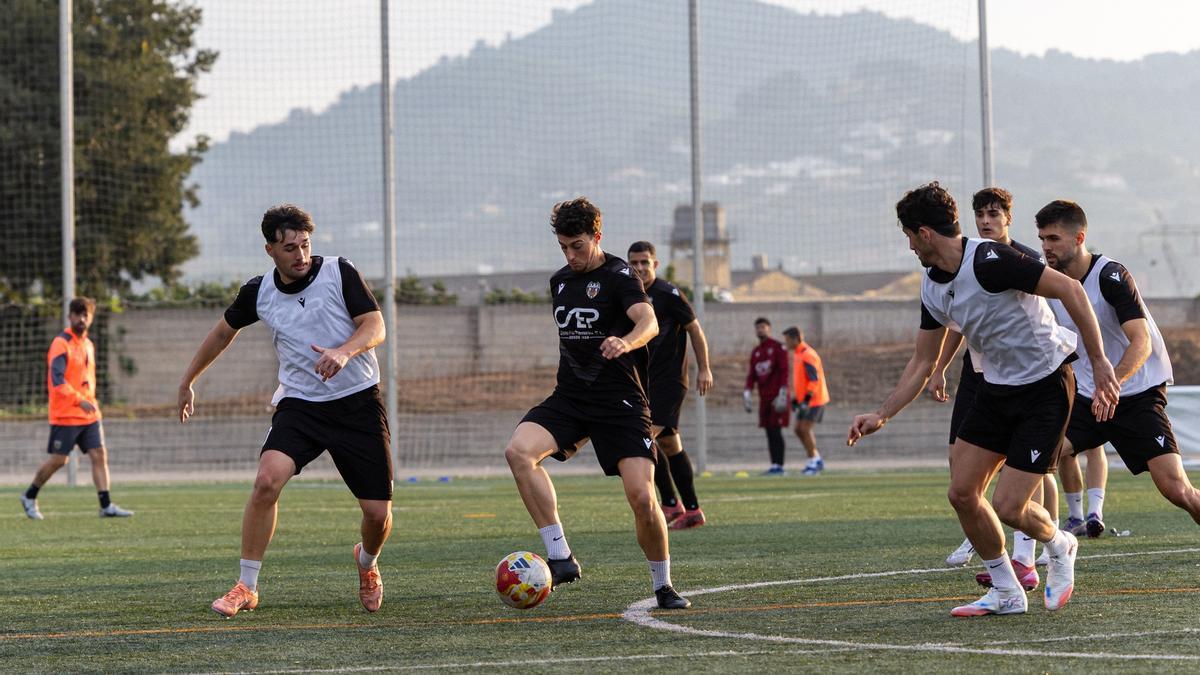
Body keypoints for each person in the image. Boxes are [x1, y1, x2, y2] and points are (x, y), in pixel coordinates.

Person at [847, 182, 1120, 617]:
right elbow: (922, 361)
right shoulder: (932, 285)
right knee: (962, 492)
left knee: (1010, 506)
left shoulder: (991, 260)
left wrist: (1101, 363)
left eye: (907, 236)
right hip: (996, 390)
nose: (909, 246)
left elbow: (1070, 290)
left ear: (923, 233)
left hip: (1045, 386)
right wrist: (882, 414)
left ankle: (1060, 543)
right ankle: (1007, 591)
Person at [177, 204, 392, 617]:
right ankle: (247, 586)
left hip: (358, 404)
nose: (301, 254)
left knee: (377, 515)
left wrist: (344, 352)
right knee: (266, 481)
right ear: (270, 250)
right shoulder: (259, 291)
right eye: (290, 246)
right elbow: (223, 332)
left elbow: (375, 325)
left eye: (306, 244)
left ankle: (366, 562)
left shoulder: (339, 271)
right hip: (301, 406)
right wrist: (188, 381)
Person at [503, 198, 690, 610]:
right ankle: (560, 555)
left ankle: (663, 585)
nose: (571, 256)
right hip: (571, 398)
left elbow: (649, 321)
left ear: (597, 237)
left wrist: (626, 340)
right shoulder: (560, 282)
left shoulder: (621, 275)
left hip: (620, 401)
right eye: (564, 247)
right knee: (518, 452)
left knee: (642, 497)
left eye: (578, 246)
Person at [1037, 200, 1200, 530]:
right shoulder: (1049, 283)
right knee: (1033, 459)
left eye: (1054, 238)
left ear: (1079, 238)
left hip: (1136, 395)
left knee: (1176, 489)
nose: (1046, 247)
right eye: (1042, 239)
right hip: (1086, 399)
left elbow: (1142, 341)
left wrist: (1114, 382)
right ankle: (1039, 551)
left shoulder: (1110, 276)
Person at [930, 188, 1059, 583]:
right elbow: (956, 321)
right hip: (980, 373)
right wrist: (940, 367)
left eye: (993, 214)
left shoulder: (1020, 259)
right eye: (980, 214)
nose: (986, 221)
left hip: (1027, 377)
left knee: (1029, 470)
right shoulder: (962, 260)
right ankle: (984, 532)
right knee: (960, 464)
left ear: (1007, 218)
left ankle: (1026, 551)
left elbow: (1048, 313)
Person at [19, 297, 134, 520]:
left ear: (90, 318)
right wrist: (77, 399)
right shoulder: (61, 344)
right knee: (59, 460)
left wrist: (89, 401)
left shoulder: (88, 344)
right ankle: (29, 495)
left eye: (86, 315)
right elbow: (57, 380)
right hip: (66, 414)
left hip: (89, 414)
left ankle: (106, 505)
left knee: (99, 454)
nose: (81, 319)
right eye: (77, 314)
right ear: (70, 316)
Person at [627, 240, 713, 530]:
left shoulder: (668, 293)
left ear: (655, 264)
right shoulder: (630, 295)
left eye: (644, 263)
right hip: (645, 383)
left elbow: (695, 330)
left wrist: (704, 369)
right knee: (668, 444)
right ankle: (687, 509)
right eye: (634, 263)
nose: (639, 268)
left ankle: (670, 504)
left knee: (643, 438)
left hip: (670, 382)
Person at [744, 318, 790, 475]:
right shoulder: (756, 352)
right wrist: (747, 391)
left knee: (776, 430)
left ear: (769, 328)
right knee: (769, 431)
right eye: (758, 327)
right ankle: (774, 465)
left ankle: (779, 466)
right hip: (764, 398)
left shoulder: (778, 347)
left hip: (777, 396)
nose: (760, 330)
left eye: (763, 327)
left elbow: (784, 371)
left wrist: (783, 391)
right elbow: (752, 375)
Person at [781, 326, 830, 476]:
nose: (786, 343)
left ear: (796, 339)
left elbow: (814, 380)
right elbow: (802, 380)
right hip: (805, 400)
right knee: (798, 429)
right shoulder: (798, 354)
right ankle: (814, 459)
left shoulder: (808, 354)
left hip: (815, 399)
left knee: (804, 429)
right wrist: (797, 399)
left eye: (788, 340)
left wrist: (806, 399)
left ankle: (815, 461)